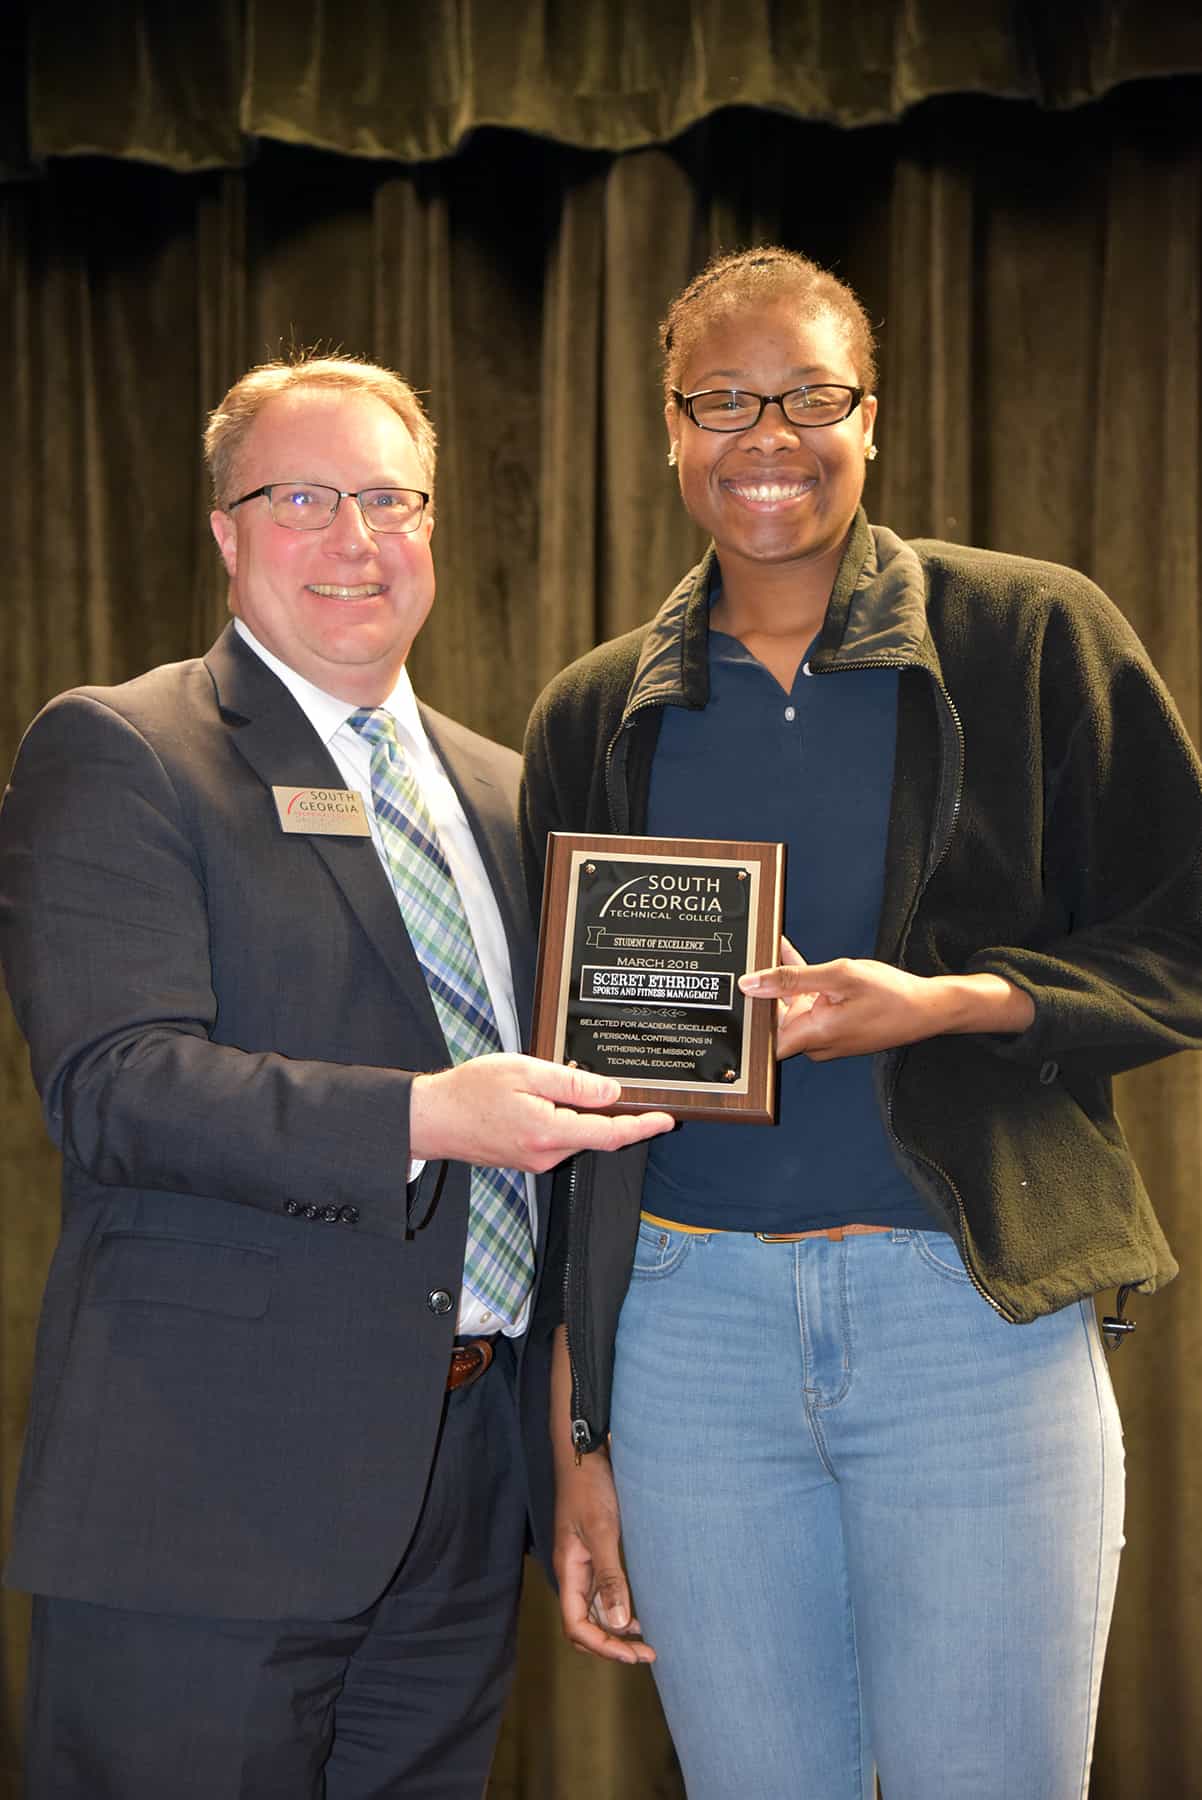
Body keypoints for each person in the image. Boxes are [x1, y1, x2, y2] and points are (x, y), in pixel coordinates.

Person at [520, 248, 1202, 1800]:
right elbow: (567, 1102)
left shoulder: (1030, 636)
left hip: (964, 1323)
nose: (768, 436)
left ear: (870, 417)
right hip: (685, 1343)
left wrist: (955, 1002)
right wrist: (579, 1426)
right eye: (722, 402)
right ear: (670, 428)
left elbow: (1181, 934)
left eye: (809, 395)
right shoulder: (593, 711)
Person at [0, 352, 672, 1799]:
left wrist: (576, 1453)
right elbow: (116, 1084)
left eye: (390, 498)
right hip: (206, 1490)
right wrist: (429, 1116)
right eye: (303, 498)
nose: (356, 541)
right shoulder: (125, 748)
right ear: (227, 534)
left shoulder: (512, 793)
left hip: (466, 1480)